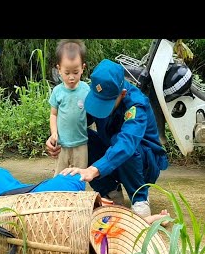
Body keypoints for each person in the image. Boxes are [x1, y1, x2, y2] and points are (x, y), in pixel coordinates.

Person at [0, 167, 171, 250]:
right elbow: (122, 223)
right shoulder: (83, 231)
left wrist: (153, 222)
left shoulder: (73, 183)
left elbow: (119, 220)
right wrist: (153, 222)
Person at [47, 59, 169, 218]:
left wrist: (93, 169)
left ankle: (139, 198)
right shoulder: (93, 95)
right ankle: (111, 192)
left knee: (121, 143)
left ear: (122, 94)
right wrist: (57, 138)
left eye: (105, 104)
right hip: (111, 156)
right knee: (85, 139)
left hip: (143, 164)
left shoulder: (137, 105)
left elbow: (127, 143)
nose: (99, 108)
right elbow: (76, 125)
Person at [49, 39, 90, 175]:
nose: (71, 77)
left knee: (79, 177)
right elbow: (53, 114)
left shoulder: (86, 89)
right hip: (62, 145)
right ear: (59, 69)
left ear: (83, 68)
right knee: (60, 177)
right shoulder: (58, 91)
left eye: (76, 72)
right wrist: (54, 133)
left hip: (81, 144)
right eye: (67, 73)